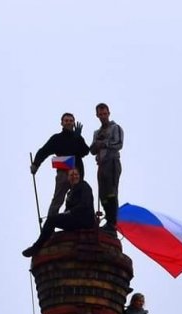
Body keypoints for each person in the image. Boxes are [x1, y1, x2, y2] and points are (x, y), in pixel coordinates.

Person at [29, 112, 90, 220]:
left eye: (71, 121)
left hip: (77, 173)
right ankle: (50, 223)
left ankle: (73, 221)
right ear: (61, 123)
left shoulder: (77, 137)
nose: (69, 123)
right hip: (63, 172)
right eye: (66, 121)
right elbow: (44, 151)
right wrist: (36, 164)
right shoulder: (57, 138)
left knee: (77, 198)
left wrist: (78, 138)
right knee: (58, 199)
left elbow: (85, 151)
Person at [22, 171, 96, 256]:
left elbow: (85, 204)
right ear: (68, 178)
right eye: (71, 175)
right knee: (53, 220)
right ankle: (46, 237)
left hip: (84, 219)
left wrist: (70, 212)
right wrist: (64, 214)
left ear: (79, 176)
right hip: (75, 219)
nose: (74, 177)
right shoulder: (70, 193)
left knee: (51, 220)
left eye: (76, 174)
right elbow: (67, 211)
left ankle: (36, 247)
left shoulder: (84, 186)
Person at [91, 102, 124, 231]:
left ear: (108, 113)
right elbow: (92, 149)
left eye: (105, 113)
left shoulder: (116, 128)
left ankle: (113, 222)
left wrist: (104, 143)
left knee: (111, 192)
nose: (103, 116)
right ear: (97, 115)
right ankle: (109, 220)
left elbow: (119, 144)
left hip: (112, 162)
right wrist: (97, 145)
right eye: (100, 114)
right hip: (101, 164)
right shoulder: (96, 132)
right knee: (103, 194)